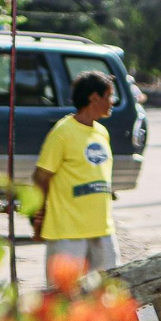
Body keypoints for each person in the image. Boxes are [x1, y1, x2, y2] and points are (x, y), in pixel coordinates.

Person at [33, 70, 120, 284]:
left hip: (102, 230)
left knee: (108, 294)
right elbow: (40, 177)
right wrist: (38, 217)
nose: (112, 102)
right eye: (109, 96)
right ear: (93, 97)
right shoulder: (62, 132)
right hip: (67, 232)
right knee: (63, 300)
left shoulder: (102, 132)